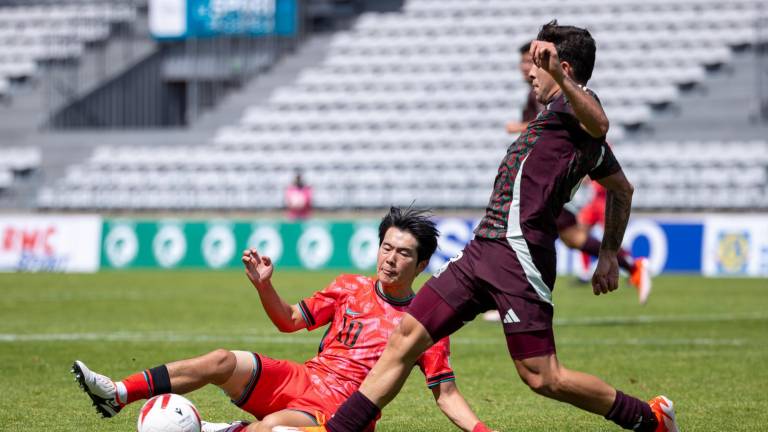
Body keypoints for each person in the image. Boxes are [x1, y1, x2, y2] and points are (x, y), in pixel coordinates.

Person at [277, 21, 678, 432]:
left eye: (541, 62)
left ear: (566, 68)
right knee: (405, 336)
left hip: (519, 256)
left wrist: (610, 253)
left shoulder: (581, 112)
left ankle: (649, 418)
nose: (531, 71)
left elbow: (603, 130)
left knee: (542, 376)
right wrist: (608, 253)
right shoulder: (560, 124)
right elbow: (622, 189)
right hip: (482, 249)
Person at [71, 207, 494, 432]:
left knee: (271, 429)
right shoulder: (349, 286)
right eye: (387, 247)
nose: (391, 258)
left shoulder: (426, 323)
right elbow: (289, 320)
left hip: (345, 411)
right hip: (303, 380)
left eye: (403, 253)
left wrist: (481, 431)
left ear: (420, 265)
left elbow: (446, 394)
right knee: (221, 360)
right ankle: (118, 394)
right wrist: (264, 287)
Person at [482, 41, 650, 324]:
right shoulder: (534, 93)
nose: (526, 68)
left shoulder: (555, 93)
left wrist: (520, 128)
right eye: (524, 63)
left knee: (521, 233)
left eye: (530, 62)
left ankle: (509, 302)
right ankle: (630, 264)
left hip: (544, 187)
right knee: (571, 238)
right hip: (540, 183)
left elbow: (560, 127)